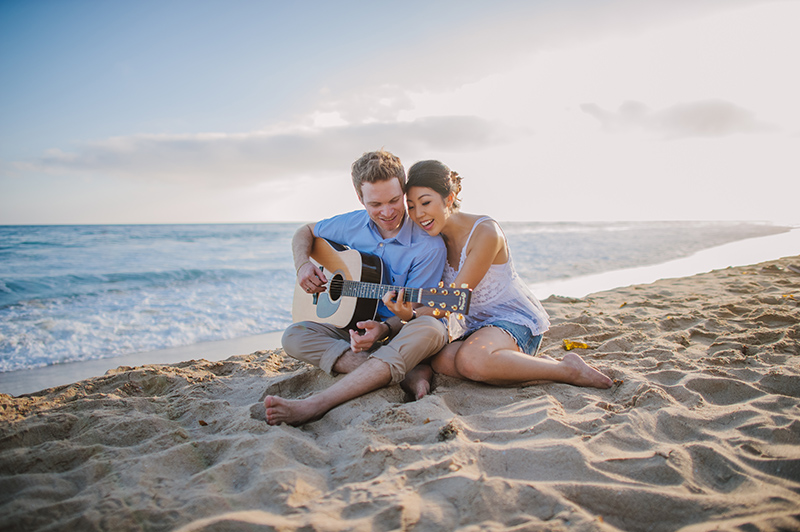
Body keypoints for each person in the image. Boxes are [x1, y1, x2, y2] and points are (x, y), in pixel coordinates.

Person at [388, 160, 613, 399]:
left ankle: (567, 369)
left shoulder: (485, 232)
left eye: (425, 202)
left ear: (449, 199)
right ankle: (532, 367)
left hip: (514, 321)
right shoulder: (434, 241)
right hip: (477, 329)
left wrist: (411, 316)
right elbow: (432, 296)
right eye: (410, 207)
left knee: (471, 360)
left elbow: (453, 300)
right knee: (443, 360)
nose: (418, 214)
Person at [264, 150, 449, 426]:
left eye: (395, 200)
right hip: (355, 328)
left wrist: (385, 329)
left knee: (432, 329)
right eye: (375, 204)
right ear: (359, 196)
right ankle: (400, 372)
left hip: (402, 330)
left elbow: (421, 309)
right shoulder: (352, 223)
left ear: (403, 188)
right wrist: (303, 265)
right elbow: (305, 231)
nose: (387, 212)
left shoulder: (428, 246)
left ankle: (317, 404)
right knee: (294, 335)